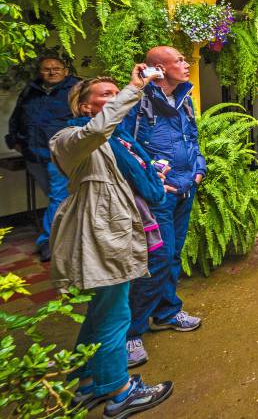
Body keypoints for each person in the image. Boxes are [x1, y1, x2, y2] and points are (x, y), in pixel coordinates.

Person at [48, 65, 174, 416]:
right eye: (105, 94)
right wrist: (134, 88)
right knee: (115, 314)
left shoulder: (118, 142)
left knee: (102, 312)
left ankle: (88, 380)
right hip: (100, 235)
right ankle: (120, 391)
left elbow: (119, 181)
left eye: (115, 92)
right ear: (85, 107)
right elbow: (99, 131)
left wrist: (152, 182)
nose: (114, 97)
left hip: (113, 231)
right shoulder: (70, 139)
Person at [122, 46, 206, 368]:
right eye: (180, 60)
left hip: (185, 188)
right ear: (159, 66)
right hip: (158, 193)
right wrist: (153, 174)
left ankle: (167, 312)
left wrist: (199, 169)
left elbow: (193, 138)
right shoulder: (140, 101)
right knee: (156, 258)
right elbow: (124, 144)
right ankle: (131, 332)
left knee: (172, 255)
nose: (186, 65)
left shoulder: (184, 99)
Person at [5, 57, 79, 261]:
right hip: (34, 154)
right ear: (40, 72)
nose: (52, 72)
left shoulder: (76, 89)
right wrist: (15, 140)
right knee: (56, 197)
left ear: (65, 71)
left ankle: (48, 242)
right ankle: (67, 235)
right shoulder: (30, 90)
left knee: (58, 197)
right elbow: (17, 116)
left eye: (56, 68)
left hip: (62, 154)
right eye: (46, 69)